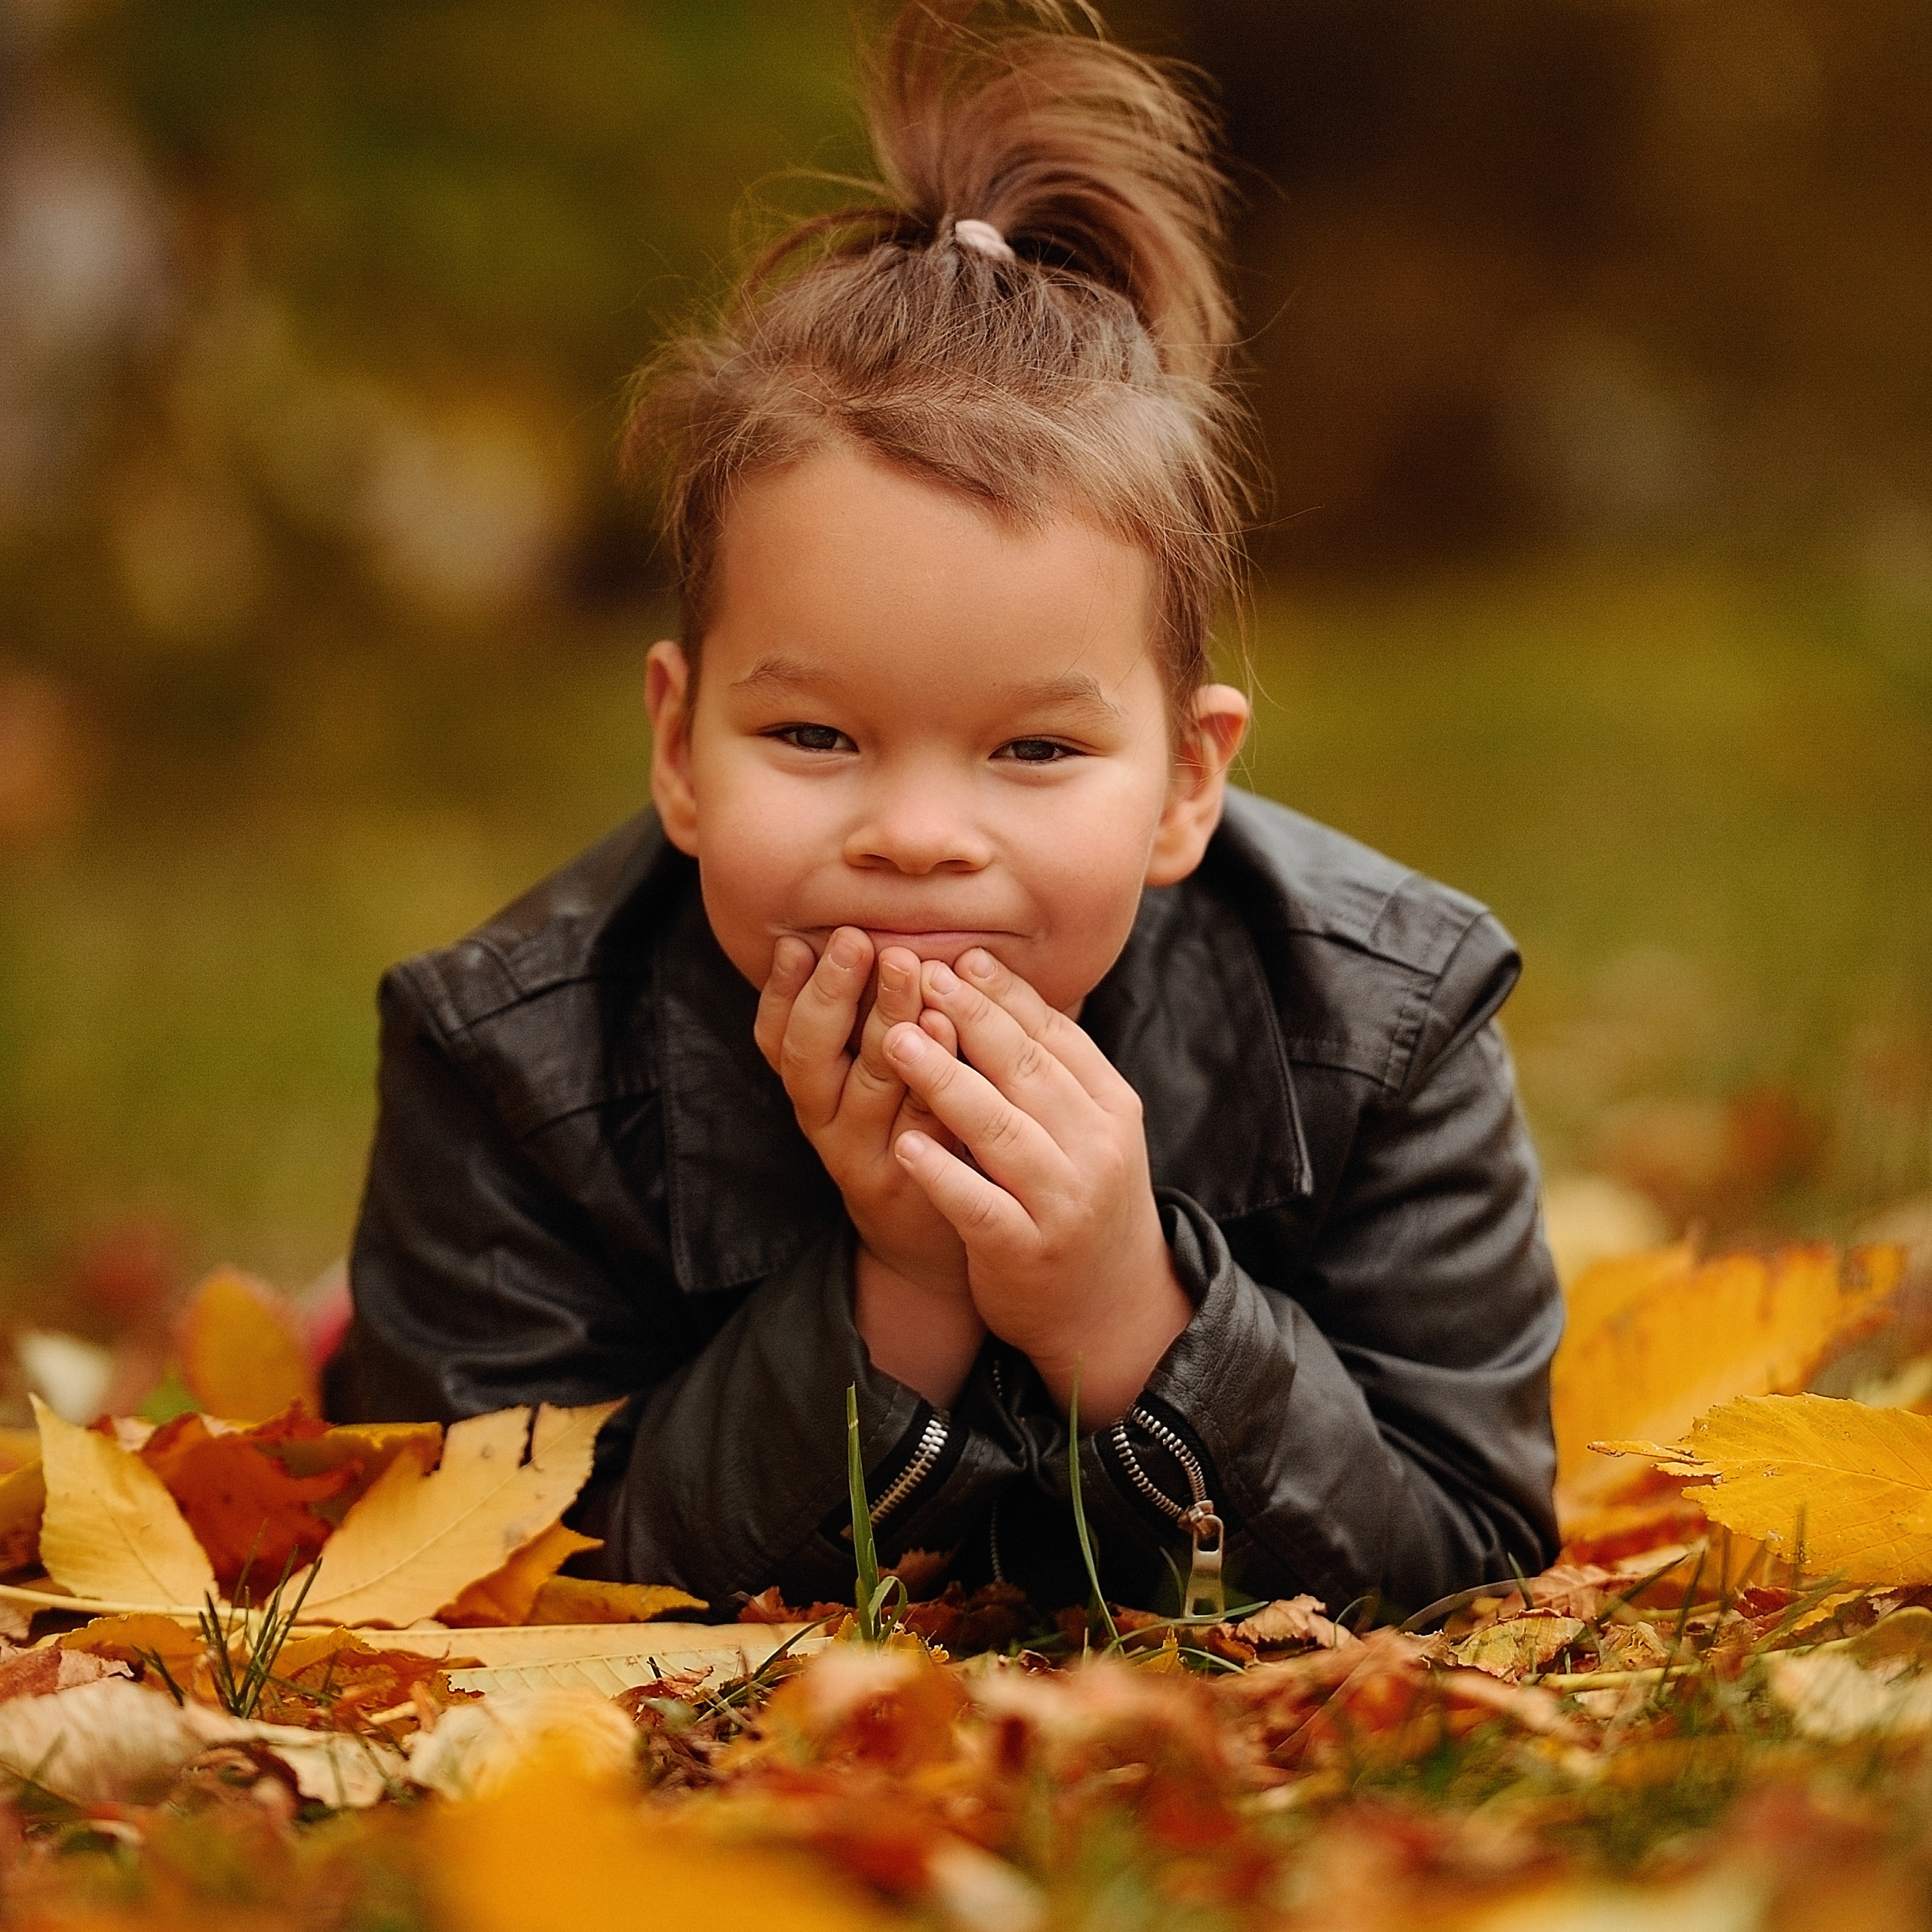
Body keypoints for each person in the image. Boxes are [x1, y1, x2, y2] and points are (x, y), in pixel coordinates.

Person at [333, 0, 1563, 1620]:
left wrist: (1130, 1312)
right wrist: (899, 1291)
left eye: (1033, 752)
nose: (916, 833)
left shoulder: (1383, 1026)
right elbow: (484, 1583)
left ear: (1187, 779)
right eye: (815, 731)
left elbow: (1462, 1553)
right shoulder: (510, 1070)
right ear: (679, 743)